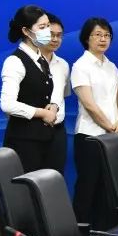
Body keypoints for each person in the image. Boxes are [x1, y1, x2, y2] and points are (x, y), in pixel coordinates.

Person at [70, 17, 118, 228]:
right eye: (98, 35)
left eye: (107, 35)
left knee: (107, 189)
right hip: (90, 136)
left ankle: (103, 235)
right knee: (88, 188)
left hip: (112, 137)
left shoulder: (112, 67)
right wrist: (110, 126)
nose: (103, 39)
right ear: (87, 38)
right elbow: (89, 104)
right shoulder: (81, 66)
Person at [0, 5, 62, 173]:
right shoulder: (14, 62)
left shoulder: (41, 59)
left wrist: (53, 106)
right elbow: (7, 104)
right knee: (25, 188)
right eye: (42, 27)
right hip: (23, 142)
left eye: (48, 26)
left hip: (46, 139)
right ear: (26, 31)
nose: (48, 31)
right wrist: (42, 113)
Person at [38, 13, 70, 174]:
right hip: (34, 129)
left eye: (59, 35)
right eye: (51, 34)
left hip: (58, 131)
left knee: (55, 178)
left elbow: (64, 95)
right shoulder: (25, 62)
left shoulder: (63, 65)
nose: (55, 39)